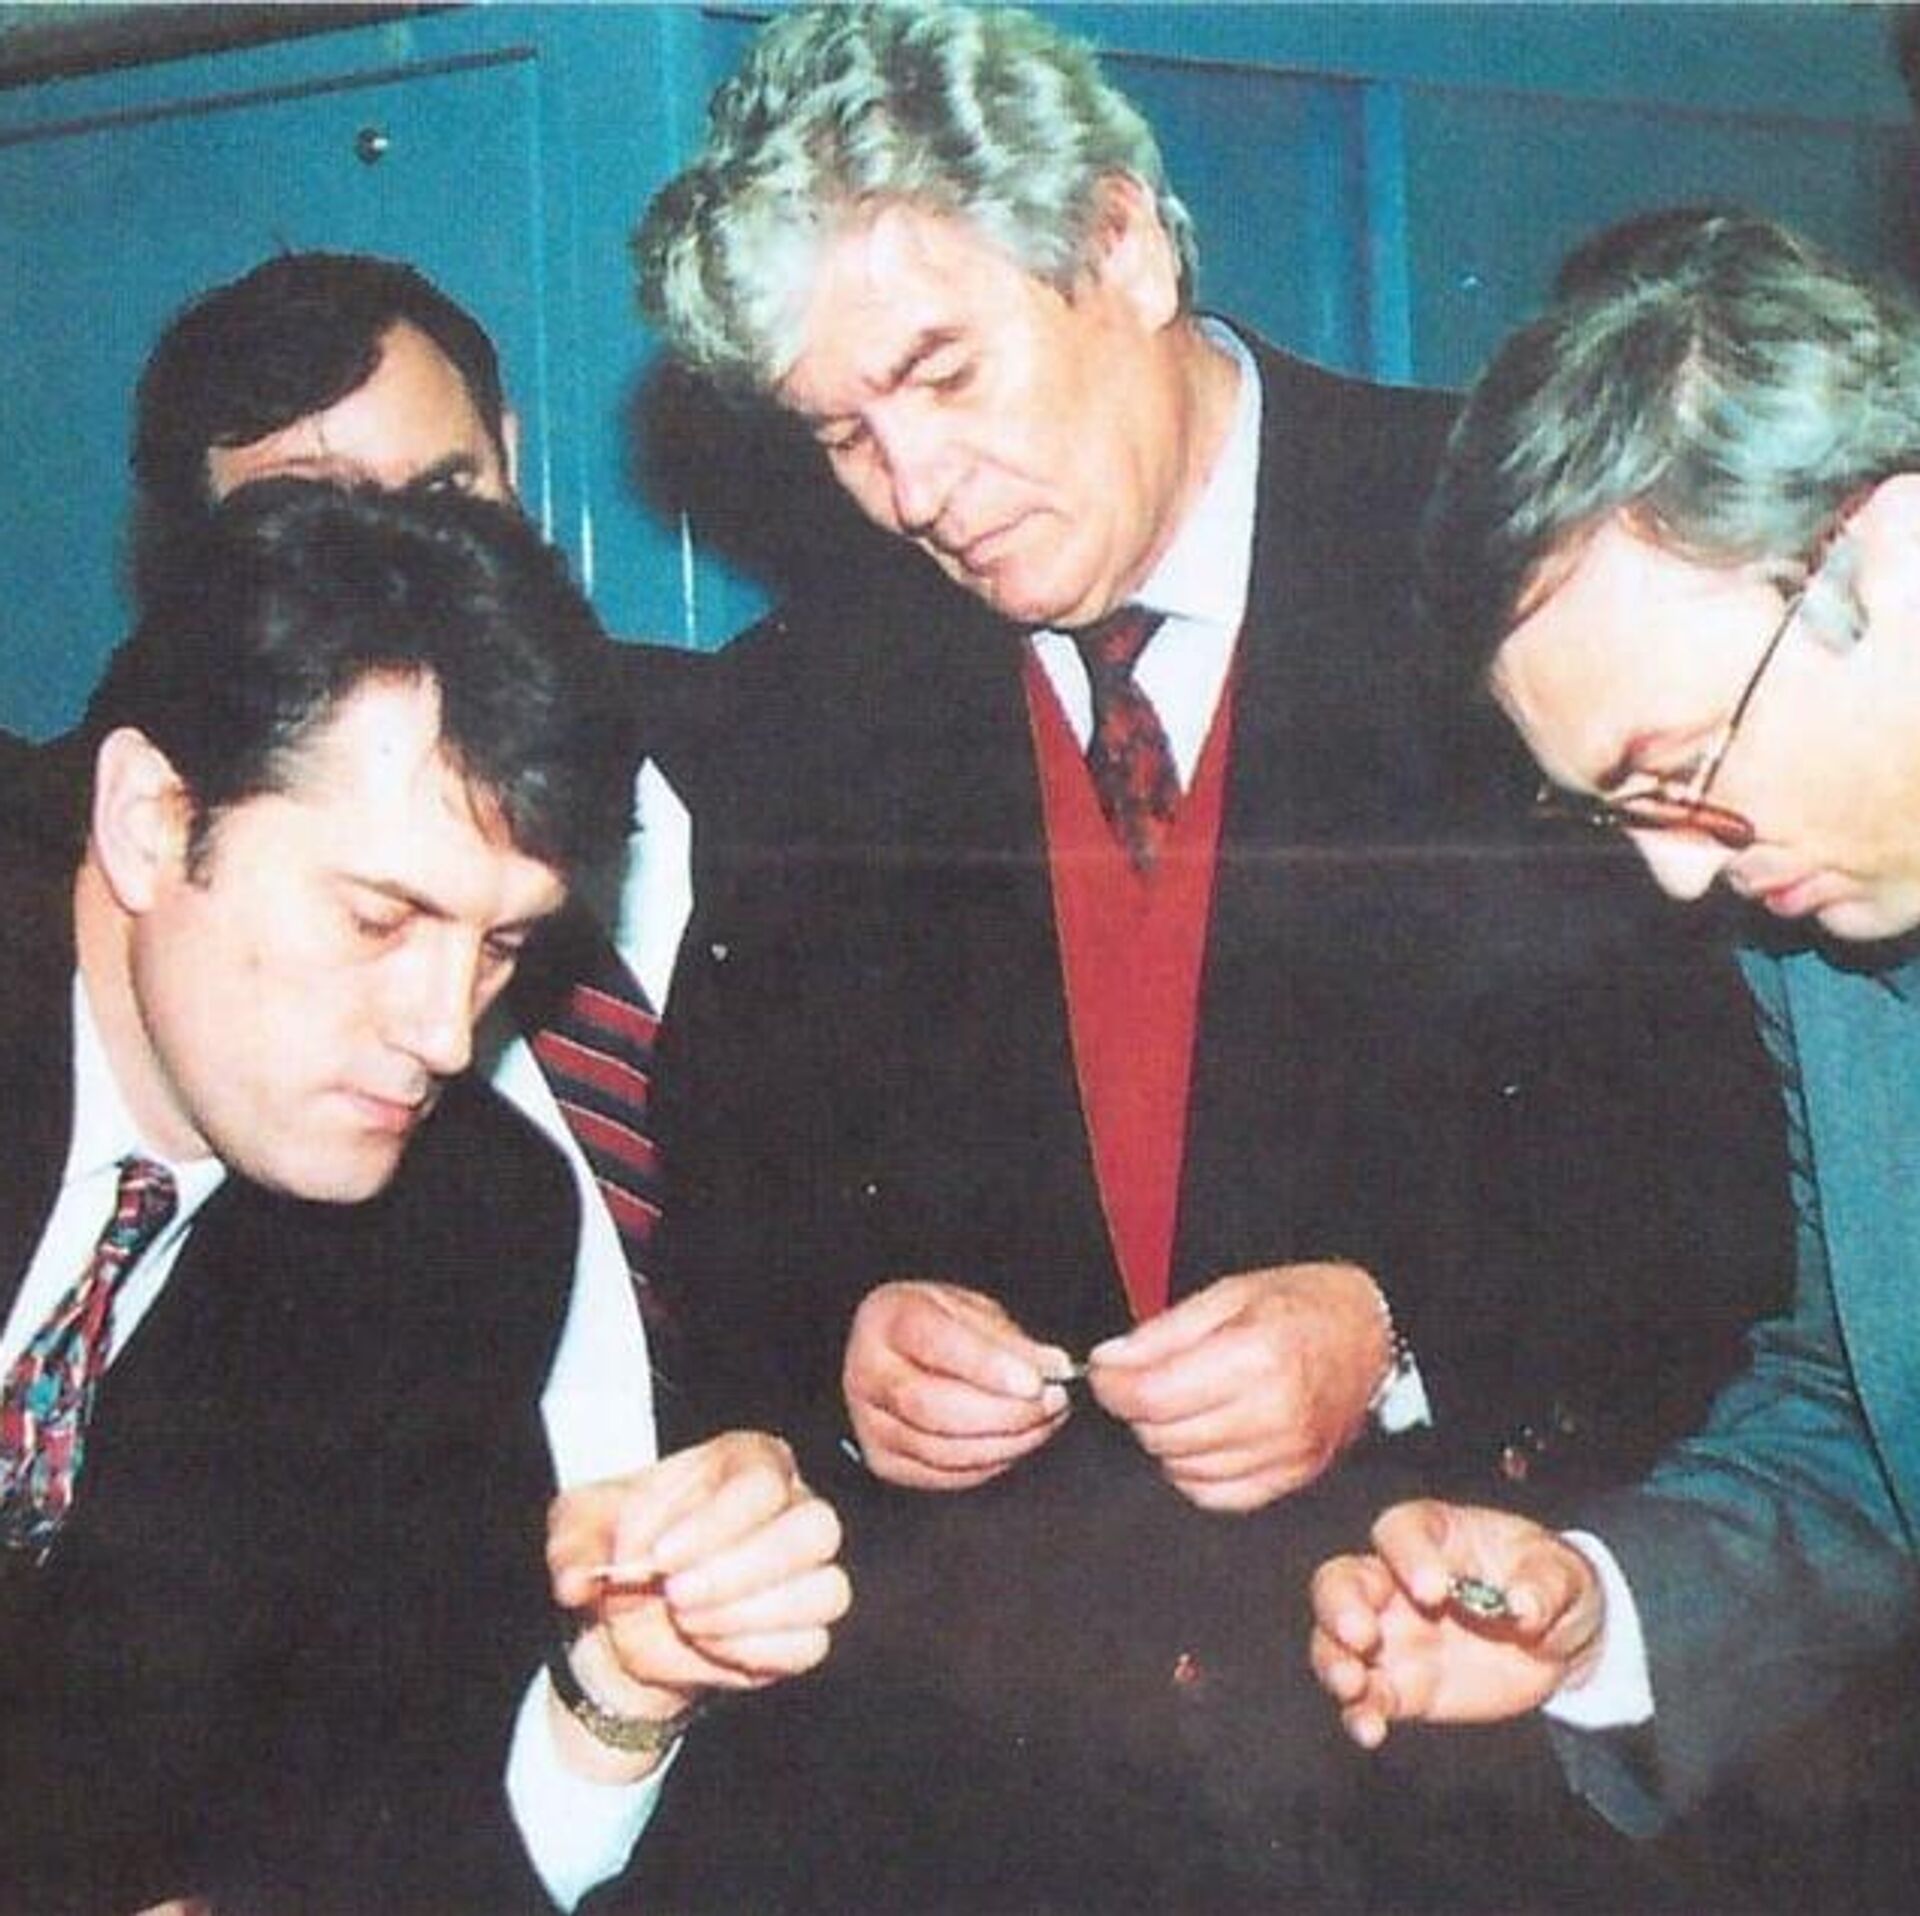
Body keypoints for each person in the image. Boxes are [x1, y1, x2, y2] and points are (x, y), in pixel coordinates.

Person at [620, 7, 1790, 1908]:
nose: (915, 488)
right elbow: (731, 1184)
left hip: (1465, 1771)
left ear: (1125, 246)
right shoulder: (811, 696)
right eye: (842, 432)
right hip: (1004, 1793)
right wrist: (848, 1349)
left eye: (942, 371)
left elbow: (1731, 1176)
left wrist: (1398, 1336)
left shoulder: (1514, 559)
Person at [0, 480, 848, 1915]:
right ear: (148, 821)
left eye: (502, 945)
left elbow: (387, 1827)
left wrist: (621, 1679)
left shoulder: (463, 1222)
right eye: (379, 919)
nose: (449, 1032)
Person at [1308, 207, 1920, 1887]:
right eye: (1612, 812)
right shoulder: (1825, 957)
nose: (1677, 874)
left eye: (1678, 768)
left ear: (1891, 551)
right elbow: (1864, 1409)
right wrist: (1600, 1610)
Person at [129, 249, 704, 1467]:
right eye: (318, 526)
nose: (424, 575)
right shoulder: (132, 899)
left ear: (511, 456)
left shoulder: (778, 751)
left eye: (447, 495)